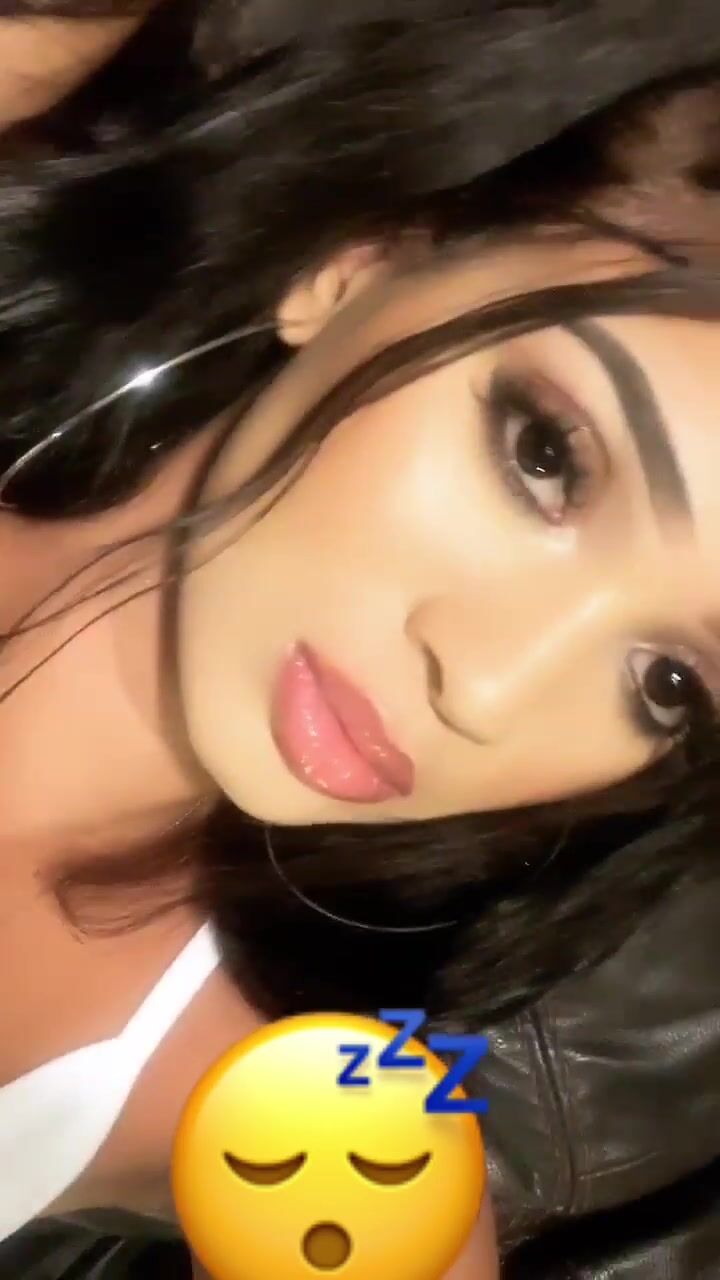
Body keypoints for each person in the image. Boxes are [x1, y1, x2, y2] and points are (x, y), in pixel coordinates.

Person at [2, 2, 720, 1277]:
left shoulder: (320, 1127)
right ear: (360, 261)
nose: (488, 687)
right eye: (545, 455)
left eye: (667, 680)